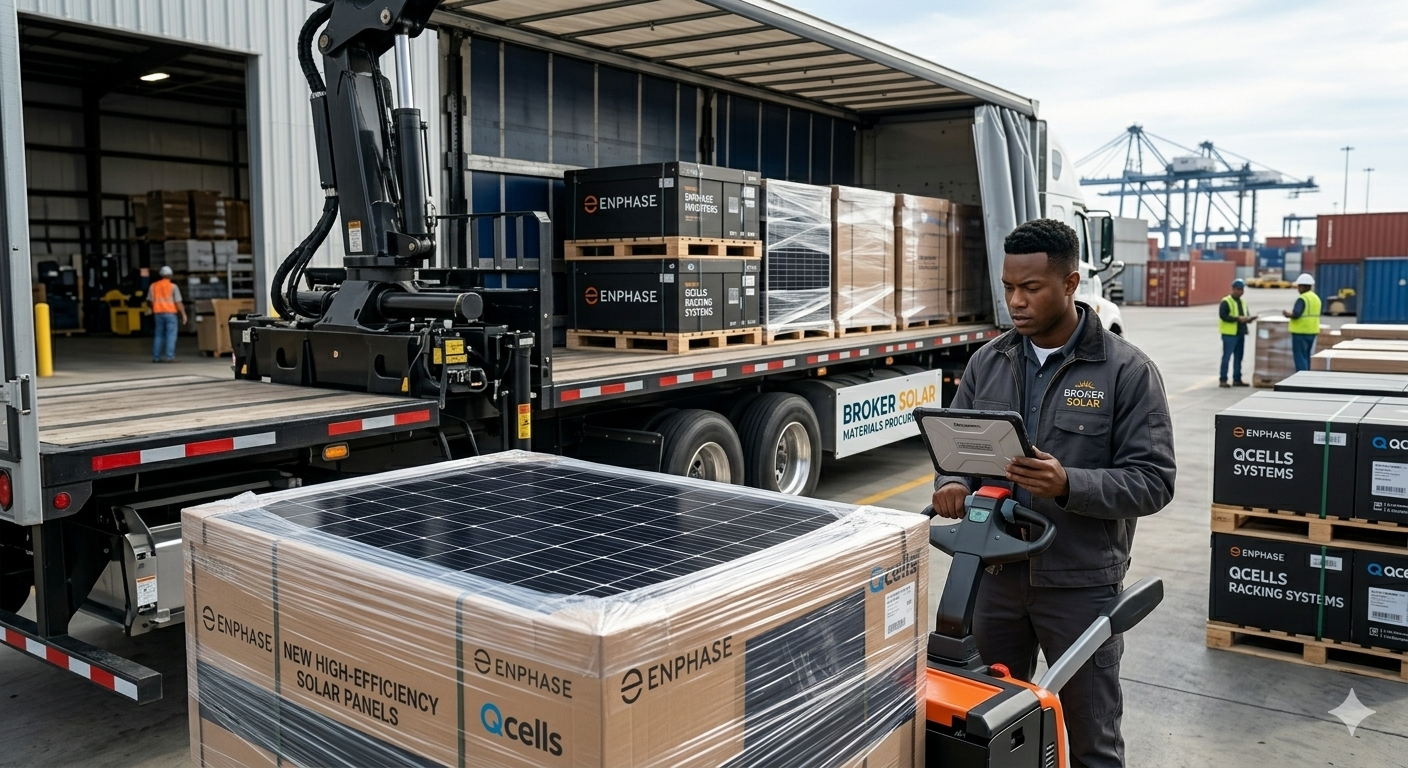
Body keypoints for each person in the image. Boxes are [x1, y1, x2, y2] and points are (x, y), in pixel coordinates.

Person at [930, 219, 1176, 768]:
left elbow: (1154, 481)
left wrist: (1070, 485)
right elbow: (959, 454)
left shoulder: (1127, 372)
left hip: (1078, 583)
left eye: (1032, 288)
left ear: (1070, 284)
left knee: (1090, 740)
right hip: (991, 575)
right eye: (1009, 286)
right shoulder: (987, 362)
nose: (1016, 301)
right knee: (983, 727)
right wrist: (950, 484)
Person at [1218, 278, 1255, 387]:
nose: (1240, 292)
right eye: (1238, 289)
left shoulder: (1243, 302)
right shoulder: (1226, 301)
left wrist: (1249, 319)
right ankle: (1223, 379)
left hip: (1240, 333)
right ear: (1233, 289)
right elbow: (1223, 316)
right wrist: (1238, 319)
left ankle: (1237, 379)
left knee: (1239, 358)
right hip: (1229, 334)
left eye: (1242, 289)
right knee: (1227, 357)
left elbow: (1246, 315)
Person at [146, 265, 187, 363]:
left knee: (158, 335)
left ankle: (156, 357)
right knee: (171, 335)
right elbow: (178, 302)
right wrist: (183, 314)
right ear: (170, 276)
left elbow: (148, 301)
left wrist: (153, 307)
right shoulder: (173, 286)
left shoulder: (153, 286)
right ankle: (170, 357)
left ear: (161, 275)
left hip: (158, 314)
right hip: (170, 314)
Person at [1282, 272, 1321, 371]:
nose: (1298, 289)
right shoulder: (1316, 298)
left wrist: (1287, 314)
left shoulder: (1302, 298)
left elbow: (1296, 314)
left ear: (1303, 287)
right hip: (1312, 332)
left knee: (1299, 357)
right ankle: (1306, 379)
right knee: (1307, 356)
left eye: (1299, 286)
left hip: (1300, 332)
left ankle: (1301, 380)